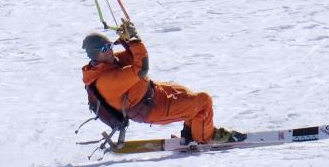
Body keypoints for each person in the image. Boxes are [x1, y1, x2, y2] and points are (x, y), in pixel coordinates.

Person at [82, 19, 241, 146]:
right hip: (151, 108)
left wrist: (128, 40)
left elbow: (133, 56)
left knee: (188, 95)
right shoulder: (106, 80)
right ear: (95, 55)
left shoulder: (108, 62)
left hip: (153, 93)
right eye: (104, 49)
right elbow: (141, 68)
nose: (110, 50)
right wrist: (134, 40)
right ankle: (205, 137)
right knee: (203, 102)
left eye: (110, 45)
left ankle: (190, 134)